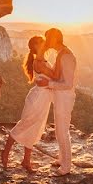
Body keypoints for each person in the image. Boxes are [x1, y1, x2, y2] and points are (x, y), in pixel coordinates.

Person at [0, 35, 55, 171]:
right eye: (42, 41)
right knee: (25, 124)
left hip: (44, 98)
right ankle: (5, 152)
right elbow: (55, 76)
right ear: (36, 46)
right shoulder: (38, 63)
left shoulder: (43, 60)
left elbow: (51, 78)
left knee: (35, 128)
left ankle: (26, 161)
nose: (45, 43)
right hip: (38, 98)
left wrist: (49, 83)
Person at [35, 27, 77, 176]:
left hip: (65, 98)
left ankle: (66, 167)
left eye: (47, 39)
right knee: (60, 130)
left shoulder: (66, 57)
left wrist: (48, 84)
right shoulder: (61, 54)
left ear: (53, 39)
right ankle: (61, 159)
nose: (46, 42)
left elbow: (68, 84)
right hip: (60, 97)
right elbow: (58, 77)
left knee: (62, 132)